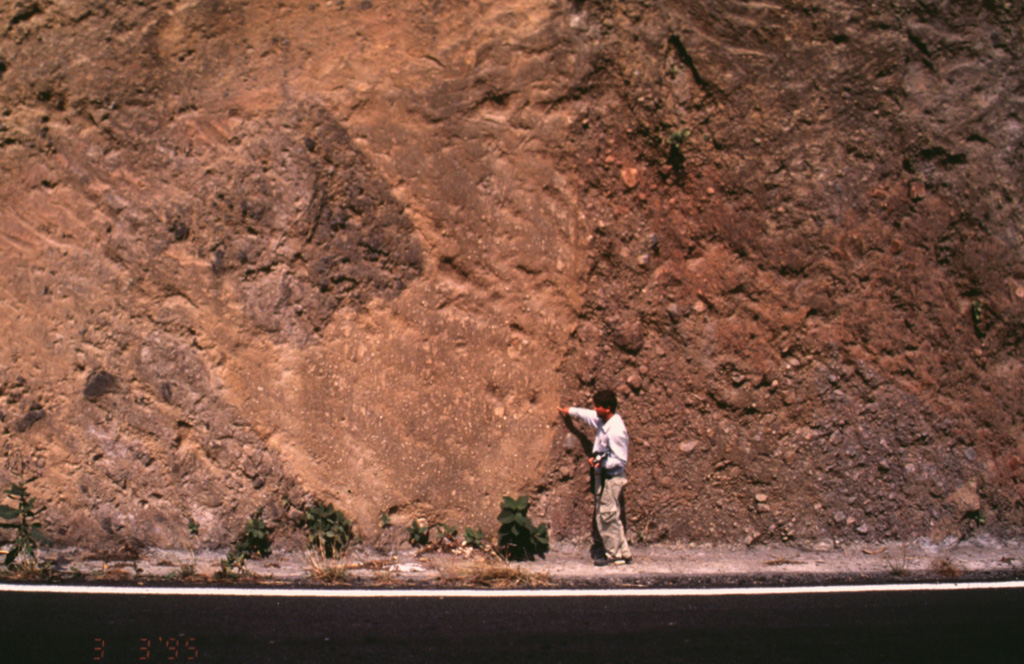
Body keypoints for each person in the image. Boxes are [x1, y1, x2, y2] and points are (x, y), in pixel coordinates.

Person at [559, 389, 632, 566]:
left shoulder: (616, 431)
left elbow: (620, 460)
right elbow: (588, 415)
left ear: (607, 408)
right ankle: (623, 552)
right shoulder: (604, 419)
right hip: (605, 476)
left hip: (612, 478)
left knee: (607, 515)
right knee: (612, 515)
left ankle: (613, 555)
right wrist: (570, 411)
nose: (594, 408)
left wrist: (600, 463)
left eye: (597, 406)